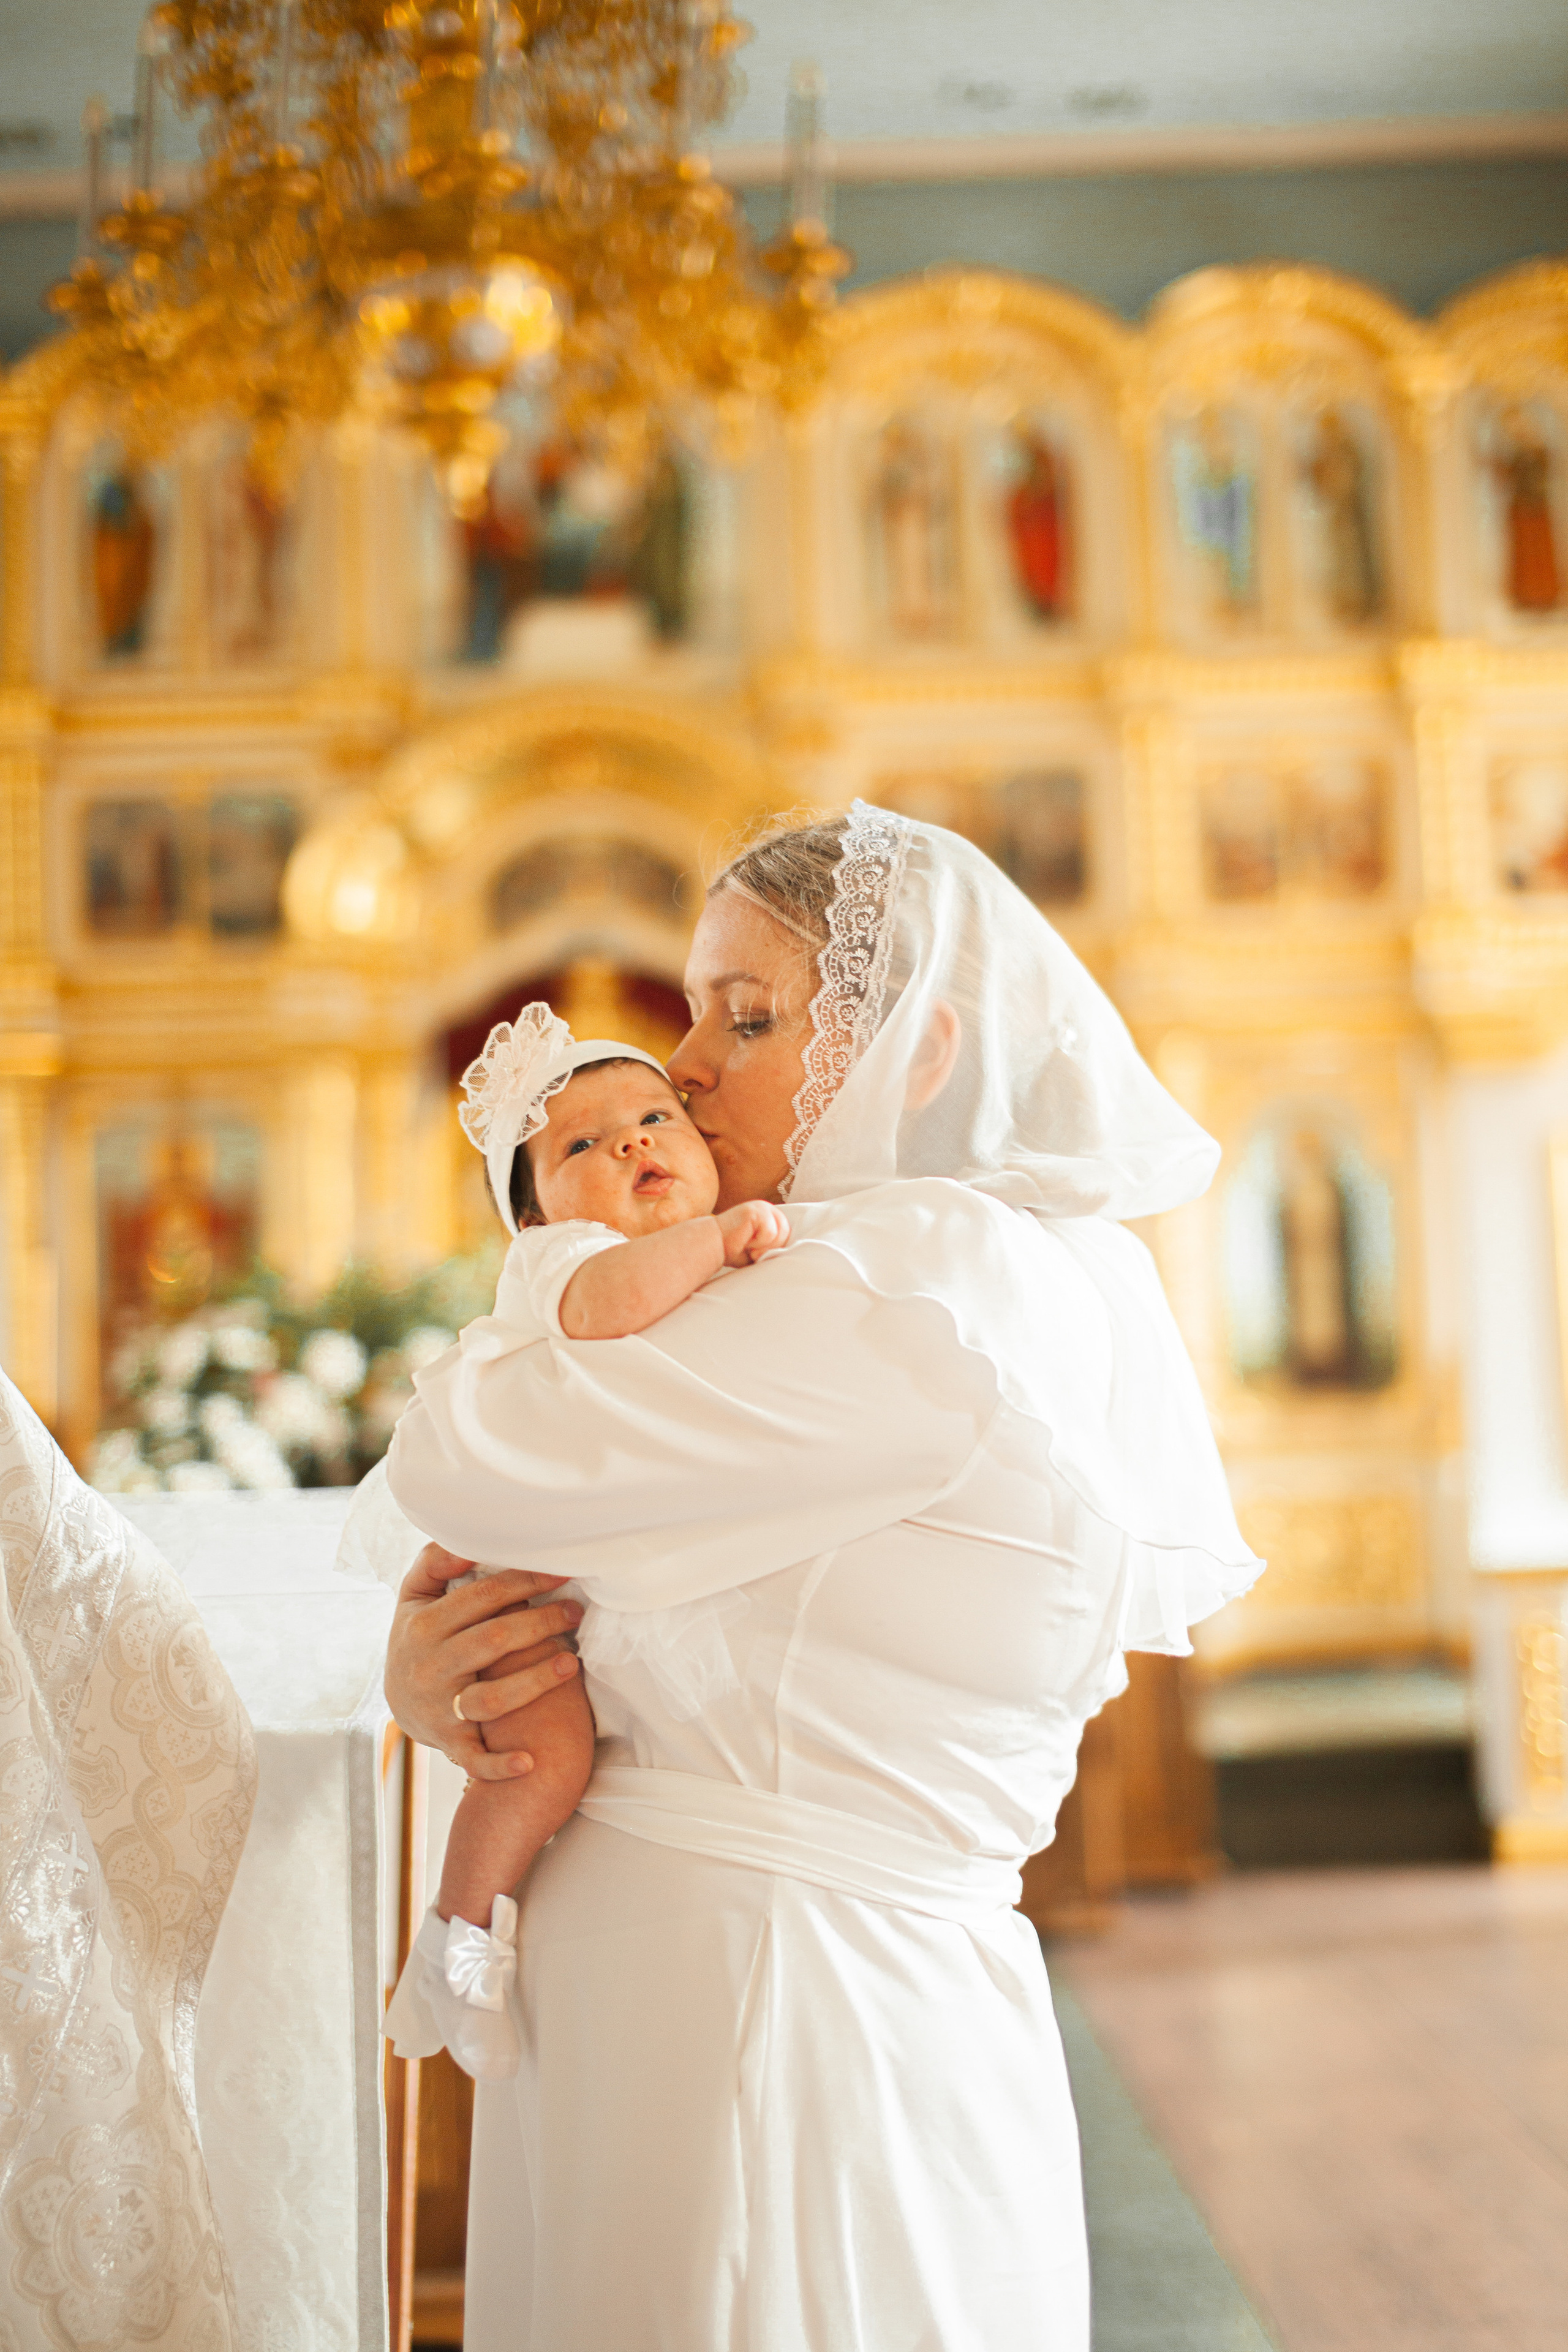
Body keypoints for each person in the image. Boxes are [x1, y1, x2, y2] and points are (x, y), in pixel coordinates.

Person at [379, 801, 1262, 2352]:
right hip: (709, 1996)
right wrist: (435, 1669)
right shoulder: (871, 1268)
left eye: (748, 1014)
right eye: (689, 1010)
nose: (686, 1068)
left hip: (776, 2026)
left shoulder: (922, 1282)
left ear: (920, 1047)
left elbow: (460, 1455)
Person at [385, 1005, 788, 2078]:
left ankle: (456, 1945)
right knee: (536, 1764)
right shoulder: (569, 1261)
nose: (630, 1144)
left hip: (577, 1566)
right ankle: (458, 1939)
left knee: (554, 1760)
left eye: (657, 1116)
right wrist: (716, 1238)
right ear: (532, 1216)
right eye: (579, 1145)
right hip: (513, 1576)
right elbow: (608, 1313)